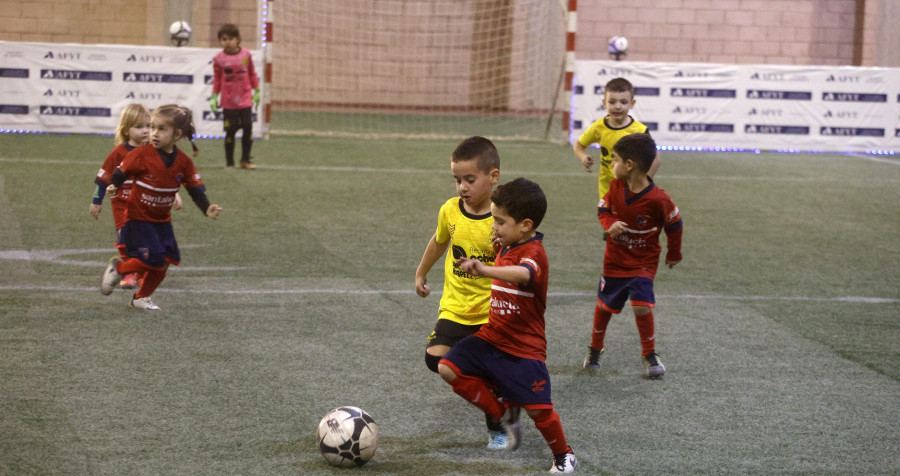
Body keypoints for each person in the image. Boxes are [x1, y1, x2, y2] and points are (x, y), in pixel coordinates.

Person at [439, 178, 579, 473]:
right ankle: (503, 414)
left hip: (524, 349)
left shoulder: (534, 253)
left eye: (500, 222)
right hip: (492, 337)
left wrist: (486, 268)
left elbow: (524, 274)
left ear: (526, 225)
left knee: (540, 411)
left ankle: (563, 454)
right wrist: (494, 250)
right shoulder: (506, 243)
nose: (494, 228)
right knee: (447, 367)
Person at [414, 136, 512, 449]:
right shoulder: (450, 211)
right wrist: (421, 271)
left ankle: (497, 426)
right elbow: (440, 240)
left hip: (490, 311)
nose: (462, 187)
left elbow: (517, 261)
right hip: (455, 309)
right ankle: (498, 399)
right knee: (436, 360)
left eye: (470, 179)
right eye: (457, 180)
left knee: (487, 371)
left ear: (493, 177)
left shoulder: (502, 221)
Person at [99, 104, 222, 310]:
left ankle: (141, 297)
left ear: (177, 134)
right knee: (153, 258)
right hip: (138, 219)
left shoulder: (183, 162)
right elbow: (122, 171)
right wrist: (114, 185)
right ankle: (119, 268)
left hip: (162, 222)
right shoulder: (142, 154)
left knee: (166, 260)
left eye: (161, 129)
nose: (154, 133)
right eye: (153, 128)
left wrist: (207, 208)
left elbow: (194, 188)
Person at [583, 133, 683, 378]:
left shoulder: (659, 199)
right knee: (604, 307)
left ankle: (649, 354)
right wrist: (610, 223)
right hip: (615, 261)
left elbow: (675, 225)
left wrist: (673, 253)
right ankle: (595, 348)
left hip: (643, 262)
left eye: (614, 160)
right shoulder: (615, 187)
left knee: (641, 305)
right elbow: (603, 209)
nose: (611, 165)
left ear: (629, 165)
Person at [90, 103, 152, 289]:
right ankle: (128, 273)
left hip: (145, 206)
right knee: (125, 241)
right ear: (126, 130)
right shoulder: (118, 154)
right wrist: (96, 201)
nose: (145, 131)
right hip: (122, 207)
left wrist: (174, 195)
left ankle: (141, 271)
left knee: (147, 241)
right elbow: (102, 179)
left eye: (148, 126)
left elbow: (161, 179)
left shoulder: (152, 153)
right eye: (139, 127)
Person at [572, 77, 660, 203]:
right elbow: (579, 146)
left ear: (632, 103)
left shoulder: (639, 131)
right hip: (607, 191)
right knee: (609, 222)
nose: (618, 107)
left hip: (631, 191)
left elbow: (656, 158)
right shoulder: (598, 127)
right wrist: (583, 157)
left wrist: (644, 182)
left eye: (623, 102)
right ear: (604, 102)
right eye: (612, 102)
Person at [210, 23, 260, 170]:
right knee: (230, 131)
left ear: (238, 39)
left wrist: (256, 91)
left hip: (245, 100)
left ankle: (245, 160)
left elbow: (252, 74)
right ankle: (230, 162)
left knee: (248, 127)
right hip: (228, 102)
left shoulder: (246, 55)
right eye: (224, 39)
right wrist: (214, 97)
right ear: (220, 41)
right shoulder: (219, 59)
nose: (227, 42)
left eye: (230, 39)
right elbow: (217, 79)